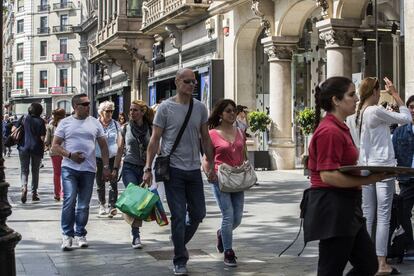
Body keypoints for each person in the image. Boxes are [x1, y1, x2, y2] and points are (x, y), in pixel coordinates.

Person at [303, 76, 392, 276]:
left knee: (368, 265)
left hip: (346, 206)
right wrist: (371, 179)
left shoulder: (339, 127)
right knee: (330, 269)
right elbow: (328, 176)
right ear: (336, 100)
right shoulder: (329, 131)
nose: (356, 99)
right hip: (333, 206)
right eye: (351, 95)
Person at [143, 68, 215, 276]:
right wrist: (147, 168)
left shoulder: (200, 108)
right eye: (187, 81)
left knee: (198, 213)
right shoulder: (165, 108)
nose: (191, 85)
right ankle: (179, 259)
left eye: (194, 82)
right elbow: (155, 140)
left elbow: (206, 138)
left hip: (193, 169)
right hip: (172, 169)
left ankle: (178, 240)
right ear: (176, 82)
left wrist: (210, 164)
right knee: (177, 215)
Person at [352, 77, 410, 275]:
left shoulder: (358, 114)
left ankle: (365, 260)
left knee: (369, 214)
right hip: (382, 165)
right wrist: (395, 94)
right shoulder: (375, 111)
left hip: (366, 165)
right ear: (375, 91)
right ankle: (381, 262)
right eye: (379, 91)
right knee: (383, 216)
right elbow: (406, 119)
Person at [51, 93, 111, 251]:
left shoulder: (95, 123)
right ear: (75, 107)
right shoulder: (65, 123)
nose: (88, 106)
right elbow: (55, 146)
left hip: (89, 169)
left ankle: (80, 234)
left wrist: (106, 167)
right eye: (84, 104)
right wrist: (70, 155)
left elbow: (104, 146)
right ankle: (67, 235)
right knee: (69, 200)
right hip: (69, 168)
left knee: (83, 205)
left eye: (89, 103)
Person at [203, 99, 246, 267]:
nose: (232, 113)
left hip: (237, 178)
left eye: (234, 110)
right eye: (228, 111)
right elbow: (206, 158)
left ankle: (222, 233)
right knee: (228, 215)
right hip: (220, 178)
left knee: (238, 218)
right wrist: (209, 173)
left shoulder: (240, 131)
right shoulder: (212, 133)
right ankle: (228, 251)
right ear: (220, 114)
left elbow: (242, 154)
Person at [113, 100, 154, 249]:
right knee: (135, 198)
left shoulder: (151, 128)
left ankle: (134, 230)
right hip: (129, 167)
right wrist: (115, 169)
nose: (132, 113)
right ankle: (136, 235)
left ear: (143, 112)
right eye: (130, 110)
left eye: (135, 110)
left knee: (140, 201)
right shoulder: (124, 129)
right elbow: (119, 150)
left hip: (145, 168)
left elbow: (157, 147)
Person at [392, 95, 414, 260]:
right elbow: (393, 156)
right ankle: (409, 244)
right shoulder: (399, 132)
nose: (413, 110)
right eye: (411, 107)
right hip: (407, 180)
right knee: (403, 212)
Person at [16, 103, 47, 203]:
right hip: (36, 148)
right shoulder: (41, 121)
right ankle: (34, 193)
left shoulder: (24, 118)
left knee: (24, 170)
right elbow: (42, 137)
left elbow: (13, 129)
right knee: (35, 171)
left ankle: (24, 187)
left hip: (23, 148)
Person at [95, 101, 121, 218]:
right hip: (98, 157)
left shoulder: (116, 124)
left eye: (111, 111)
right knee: (100, 182)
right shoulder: (95, 124)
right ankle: (102, 205)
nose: (110, 113)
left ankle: (112, 206)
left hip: (113, 156)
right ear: (101, 112)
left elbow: (120, 141)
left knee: (113, 182)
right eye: (107, 111)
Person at [45, 108, 66, 201]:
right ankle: (64, 193)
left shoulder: (51, 125)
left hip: (55, 152)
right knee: (66, 173)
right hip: (66, 152)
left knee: (57, 174)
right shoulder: (67, 123)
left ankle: (57, 194)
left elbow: (46, 140)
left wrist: (48, 146)